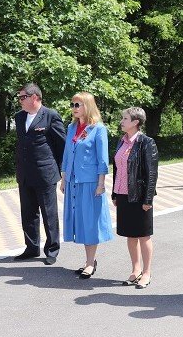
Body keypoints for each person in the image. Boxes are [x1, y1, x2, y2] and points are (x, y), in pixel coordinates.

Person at [61, 92, 114, 279]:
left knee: (90, 222)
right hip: (73, 181)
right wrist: (63, 176)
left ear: (88, 106)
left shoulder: (98, 129)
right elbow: (67, 153)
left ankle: (91, 263)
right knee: (81, 222)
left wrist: (101, 183)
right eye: (73, 104)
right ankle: (87, 260)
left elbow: (102, 159)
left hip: (90, 182)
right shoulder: (71, 127)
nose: (74, 108)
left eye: (78, 104)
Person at [13, 83, 67, 265]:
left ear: (34, 97)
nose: (20, 101)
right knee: (28, 213)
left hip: (45, 173)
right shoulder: (19, 117)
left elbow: (61, 146)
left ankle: (52, 249)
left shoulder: (50, 115)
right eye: (19, 98)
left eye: (23, 97)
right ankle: (31, 247)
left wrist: (62, 171)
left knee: (48, 213)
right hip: (25, 174)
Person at [112, 107, 159, 289]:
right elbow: (117, 169)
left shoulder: (146, 142)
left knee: (143, 235)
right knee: (130, 235)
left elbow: (152, 173)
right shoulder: (121, 142)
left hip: (139, 196)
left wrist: (148, 200)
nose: (122, 121)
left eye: (125, 118)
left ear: (136, 122)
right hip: (123, 194)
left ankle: (146, 273)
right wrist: (115, 193)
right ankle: (135, 269)